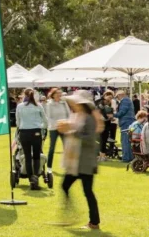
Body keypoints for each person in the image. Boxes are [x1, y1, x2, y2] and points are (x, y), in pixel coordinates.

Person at [58, 90, 100, 231]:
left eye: (74, 103)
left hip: (85, 162)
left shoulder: (88, 118)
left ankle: (94, 222)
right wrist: (65, 130)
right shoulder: (75, 116)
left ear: (81, 104)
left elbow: (89, 139)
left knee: (88, 192)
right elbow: (71, 135)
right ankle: (71, 215)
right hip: (74, 162)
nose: (72, 105)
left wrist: (72, 131)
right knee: (65, 186)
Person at [16, 88, 48, 190]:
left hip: (24, 132)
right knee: (37, 156)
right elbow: (45, 121)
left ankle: (31, 179)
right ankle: (36, 177)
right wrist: (41, 126)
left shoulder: (20, 106)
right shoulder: (38, 106)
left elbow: (17, 122)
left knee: (27, 156)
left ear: (24, 95)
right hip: (36, 132)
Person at [45, 88, 69, 173]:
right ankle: (49, 167)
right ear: (53, 94)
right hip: (53, 128)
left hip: (64, 128)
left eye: (60, 93)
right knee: (52, 148)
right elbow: (49, 117)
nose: (59, 95)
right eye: (57, 93)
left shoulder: (64, 103)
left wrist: (66, 123)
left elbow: (68, 114)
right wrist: (57, 124)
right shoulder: (49, 104)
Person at [114, 90, 135, 163]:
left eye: (117, 96)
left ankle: (126, 158)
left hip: (126, 123)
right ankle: (129, 157)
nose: (117, 98)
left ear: (120, 95)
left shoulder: (125, 100)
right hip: (128, 122)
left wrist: (113, 115)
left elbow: (122, 112)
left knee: (125, 141)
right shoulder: (128, 100)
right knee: (127, 141)